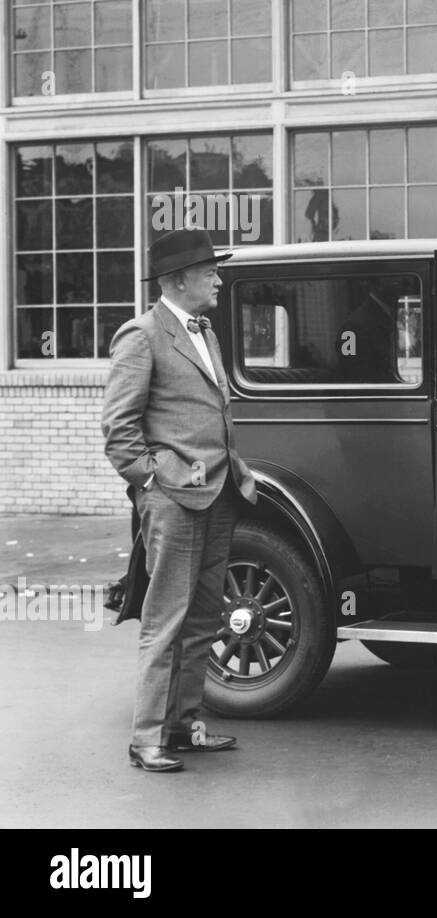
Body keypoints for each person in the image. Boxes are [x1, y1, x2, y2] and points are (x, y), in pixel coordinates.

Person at [102, 228, 257, 772]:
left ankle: (185, 728)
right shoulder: (141, 336)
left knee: (202, 619)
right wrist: (151, 483)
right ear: (179, 280)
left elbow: (216, 411)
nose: (218, 277)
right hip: (172, 499)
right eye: (209, 270)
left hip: (218, 495)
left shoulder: (204, 331)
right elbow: (118, 428)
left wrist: (237, 471)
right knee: (165, 620)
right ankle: (147, 738)